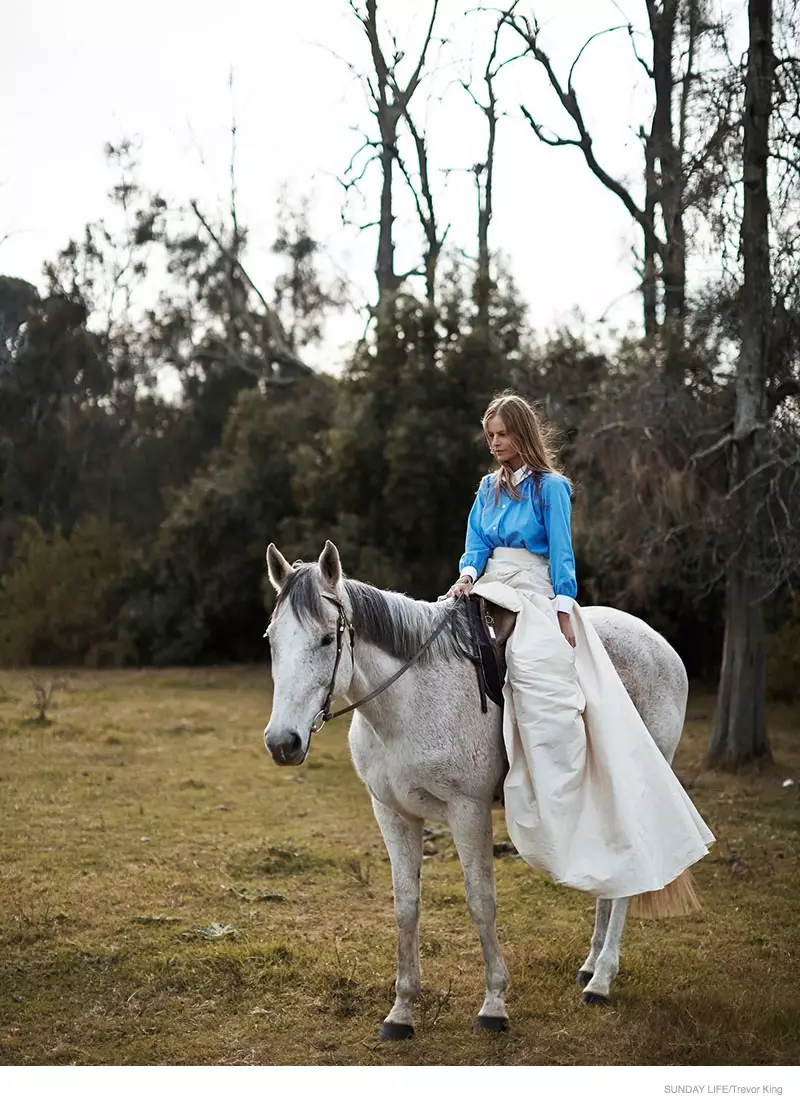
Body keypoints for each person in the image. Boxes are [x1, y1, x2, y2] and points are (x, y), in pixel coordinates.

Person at [444, 392, 714, 902]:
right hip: (487, 581)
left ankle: (551, 778)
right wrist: (467, 573)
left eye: (502, 434)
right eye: (490, 437)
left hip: (534, 587)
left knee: (533, 662)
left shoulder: (551, 489)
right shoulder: (488, 487)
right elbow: (477, 541)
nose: (495, 444)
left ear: (521, 433)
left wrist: (565, 609)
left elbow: (562, 553)